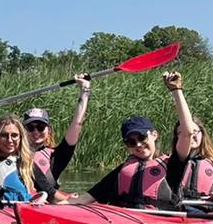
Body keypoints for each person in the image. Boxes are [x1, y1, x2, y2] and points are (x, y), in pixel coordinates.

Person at [67, 71, 201, 208]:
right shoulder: (124, 169)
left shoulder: (174, 165)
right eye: (131, 142)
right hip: (124, 220)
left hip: (159, 223)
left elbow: (187, 133)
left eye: (142, 137)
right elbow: (86, 198)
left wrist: (176, 90)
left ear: (154, 135)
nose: (138, 144)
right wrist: (51, 205)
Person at [23, 73, 92, 199]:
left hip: (47, 204)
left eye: (40, 127)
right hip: (17, 203)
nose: (35, 132)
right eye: (30, 127)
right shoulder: (12, 152)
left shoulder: (57, 156)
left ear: (48, 130)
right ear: (23, 130)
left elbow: (77, 123)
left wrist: (85, 90)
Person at [170, 93, 213, 206]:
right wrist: (176, 91)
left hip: (205, 213)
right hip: (180, 212)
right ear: (178, 137)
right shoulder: (177, 160)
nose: (191, 136)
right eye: (183, 133)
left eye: (195, 132)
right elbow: (186, 132)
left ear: (202, 134)